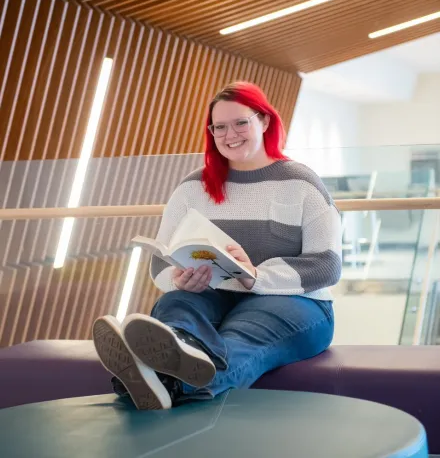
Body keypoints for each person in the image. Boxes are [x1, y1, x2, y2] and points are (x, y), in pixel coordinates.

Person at [92, 81, 342, 410]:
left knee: (240, 337)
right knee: (176, 307)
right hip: (213, 294)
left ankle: (155, 381)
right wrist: (177, 279)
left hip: (294, 302)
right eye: (219, 127)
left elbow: (326, 265)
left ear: (264, 121)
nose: (230, 134)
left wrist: (256, 275)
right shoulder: (193, 187)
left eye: (241, 122)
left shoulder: (301, 183)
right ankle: (172, 356)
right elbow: (161, 263)